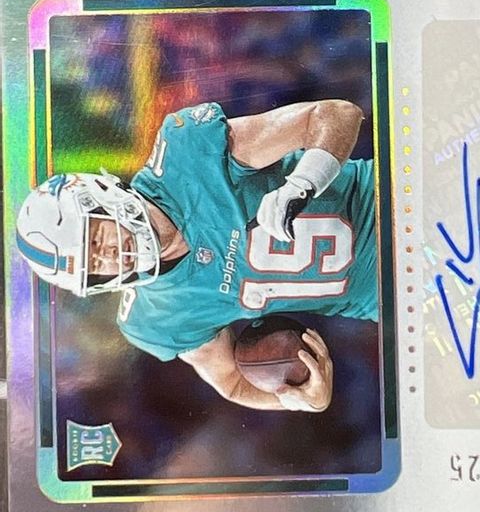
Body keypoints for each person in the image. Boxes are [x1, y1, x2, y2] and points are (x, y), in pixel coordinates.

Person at [16, 100, 379, 413]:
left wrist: (303, 184)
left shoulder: (186, 155)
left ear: (100, 195)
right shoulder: (154, 320)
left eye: (96, 239)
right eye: (94, 267)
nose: (109, 258)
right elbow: (232, 382)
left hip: (392, 202)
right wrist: (300, 399)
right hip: (387, 298)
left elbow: (337, 114)